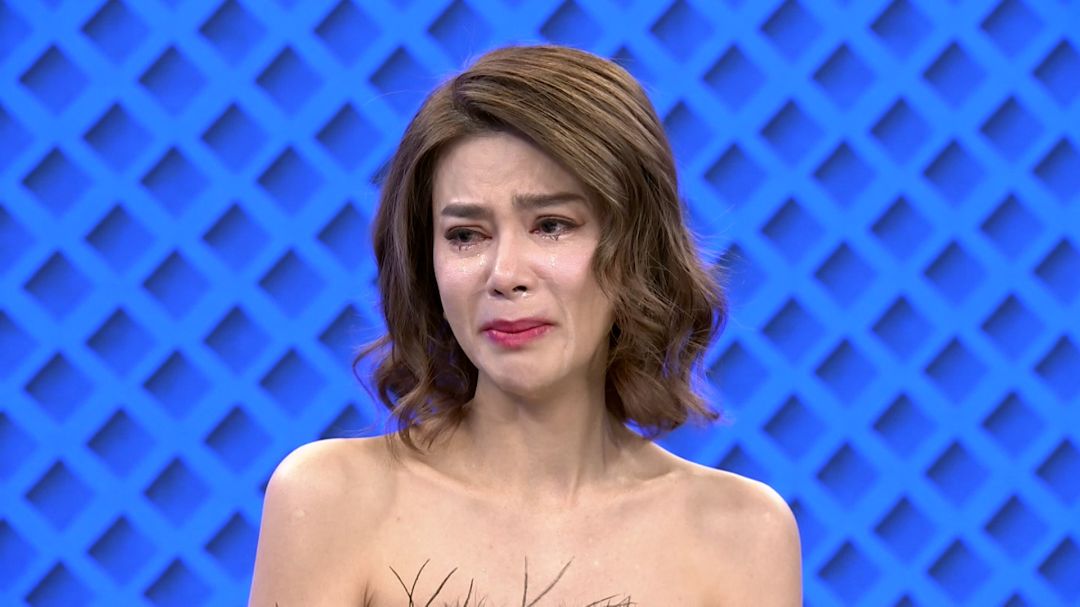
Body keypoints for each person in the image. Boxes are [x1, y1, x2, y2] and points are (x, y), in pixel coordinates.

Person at [248, 44, 801, 606]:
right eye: (466, 235)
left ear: (636, 248)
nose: (505, 275)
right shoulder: (330, 501)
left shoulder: (742, 534)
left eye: (552, 225)